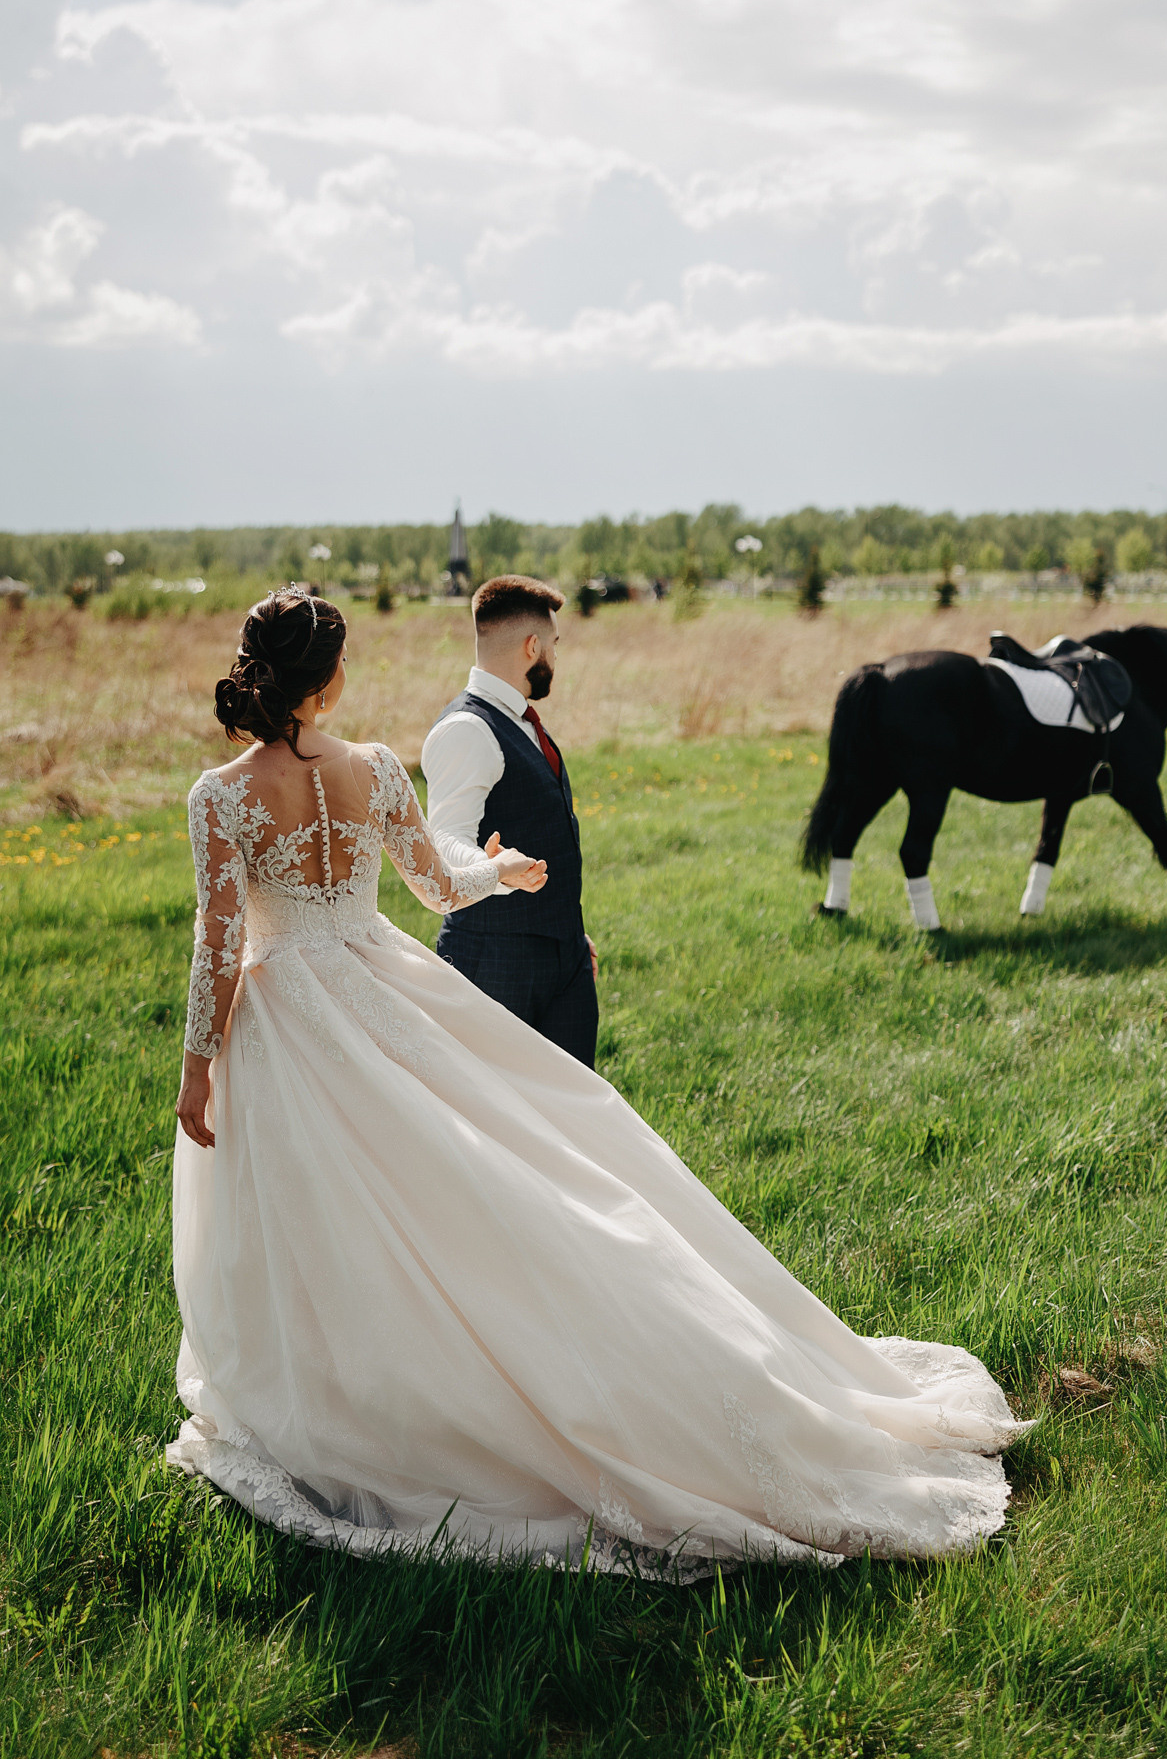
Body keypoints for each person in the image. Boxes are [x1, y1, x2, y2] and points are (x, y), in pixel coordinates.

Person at [169, 586, 1030, 1575]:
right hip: (380, 990)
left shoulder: (220, 795)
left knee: (311, 1214)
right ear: (327, 680)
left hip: (285, 1018)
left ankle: (336, 1400)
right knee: (447, 1188)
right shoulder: (374, 767)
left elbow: (219, 945)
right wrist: (501, 872)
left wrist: (197, 1067)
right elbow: (436, 887)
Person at [423, 575, 598, 1068]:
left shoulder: (520, 718)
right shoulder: (466, 728)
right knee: (495, 1107)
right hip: (495, 962)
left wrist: (569, 937)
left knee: (573, 1100)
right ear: (533, 646)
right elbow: (443, 840)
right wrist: (494, 870)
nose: (556, 658)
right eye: (555, 645)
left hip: (561, 957)